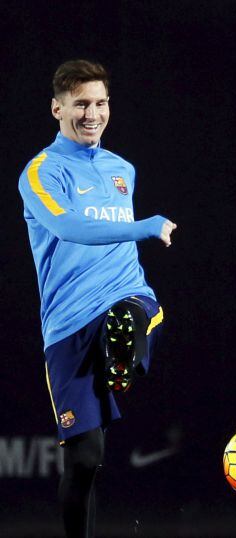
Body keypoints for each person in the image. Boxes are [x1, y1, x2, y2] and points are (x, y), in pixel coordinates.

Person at [18, 59, 177, 538]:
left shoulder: (120, 168)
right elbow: (69, 227)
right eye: (81, 104)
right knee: (86, 459)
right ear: (57, 108)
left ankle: (124, 350)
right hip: (67, 324)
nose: (93, 113)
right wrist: (144, 226)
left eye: (101, 103)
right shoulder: (41, 172)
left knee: (132, 314)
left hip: (123, 295)